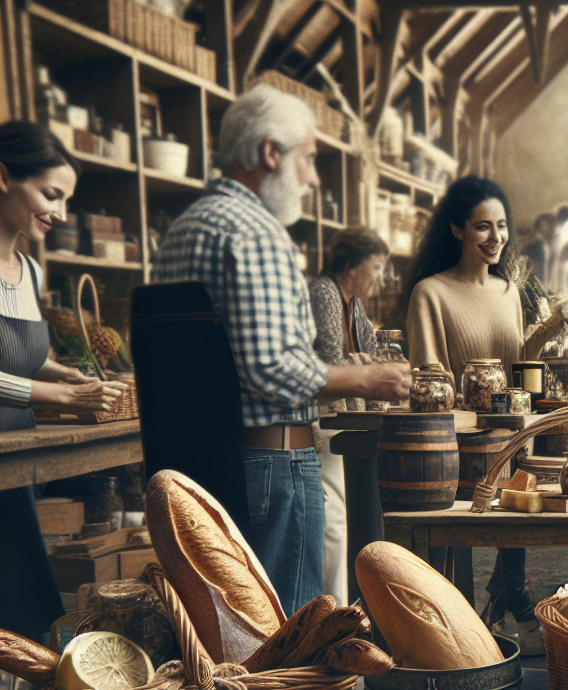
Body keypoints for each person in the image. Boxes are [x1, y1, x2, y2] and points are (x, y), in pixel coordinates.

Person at [154, 84, 409, 615]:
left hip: (201, 454)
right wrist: (368, 379)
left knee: (223, 627)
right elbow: (271, 366)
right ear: (271, 153)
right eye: (310, 159)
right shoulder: (257, 233)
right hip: (269, 461)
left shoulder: (184, 228)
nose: (314, 178)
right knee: (285, 629)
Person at [0, 121, 126, 640]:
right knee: (21, 584)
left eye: (66, 200)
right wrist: (62, 394)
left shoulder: (28, 270)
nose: (61, 213)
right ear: (4, 176)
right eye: (51, 194)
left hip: (22, 450)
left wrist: (64, 372)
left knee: (20, 581)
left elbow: (26, 356)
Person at [405, 177, 541, 656]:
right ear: (457, 229)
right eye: (483, 227)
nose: (495, 237)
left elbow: (521, 366)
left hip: (512, 435)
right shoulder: (431, 292)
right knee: (452, 549)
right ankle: (456, 634)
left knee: (517, 526)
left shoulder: (509, 291)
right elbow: (429, 378)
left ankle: (509, 604)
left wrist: (549, 333)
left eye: (501, 227)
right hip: (454, 441)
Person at [309, 227, 390, 605]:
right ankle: (337, 608)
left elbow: (370, 353)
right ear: (352, 266)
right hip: (321, 422)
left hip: (344, 422)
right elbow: (330, 359)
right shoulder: (324, 292)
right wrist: (367, 372)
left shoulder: (353, 302)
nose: (381, 276)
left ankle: (352, 603)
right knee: (335, 522)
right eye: (376, 267)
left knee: (348, 518)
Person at [521, 212, 556, 291]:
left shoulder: (558, 248)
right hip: (538, 290)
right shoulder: (531, 248)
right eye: (541, 227)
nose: (545, 230)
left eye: (548, 225)